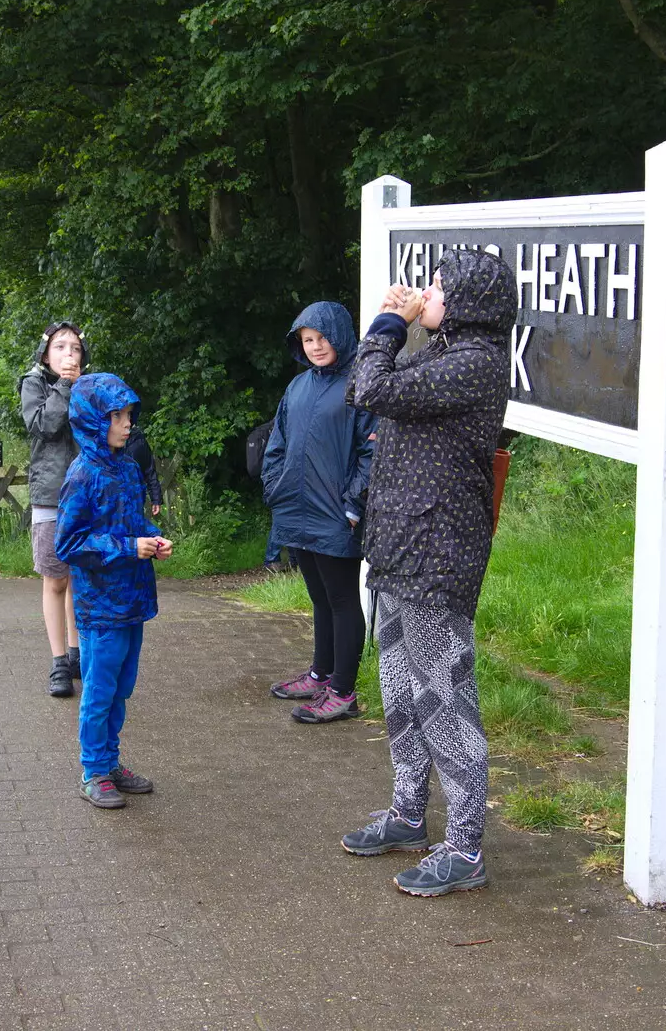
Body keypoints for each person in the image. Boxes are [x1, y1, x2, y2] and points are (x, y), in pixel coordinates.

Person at [340, 248, 516, 897]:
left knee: (444, 700)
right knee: (400, 693)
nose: (425, 291)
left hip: (438, 561)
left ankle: (465, 850)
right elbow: (381, 390)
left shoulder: (475, 364)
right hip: (397, 553)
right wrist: (407, 328)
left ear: (468, 300)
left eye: (438, 286)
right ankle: (409, 814)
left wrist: (388, 323)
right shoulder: (442, 353)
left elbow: (369, 387)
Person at [54, 372, 172, 809]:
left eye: (127, 414)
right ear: (92, 421)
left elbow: (133, 524)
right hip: (100, 606)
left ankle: (111, 760)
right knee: (99, 691)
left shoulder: (128, 467)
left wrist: (153, 539)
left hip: (133, 599)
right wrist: (128, 547)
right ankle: (94, 770)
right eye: (116, 416)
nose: (127, 424)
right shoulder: (82, 474)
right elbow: (67, 543)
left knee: (122, 686)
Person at [261, 301, 375, 723]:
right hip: (296, 510)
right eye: (307, 340)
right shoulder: (298, 388)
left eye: (322, 337)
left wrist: (353, 504)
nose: (315, 346)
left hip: (336, 515)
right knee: (319, 598)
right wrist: (276, 489)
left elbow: (372, 451)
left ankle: (343, 691)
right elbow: (278, 443)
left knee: (343, 599)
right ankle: (320, 674)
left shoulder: (362, 384)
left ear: (340, 335)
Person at [19, 321, 91, 698]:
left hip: (86, 494)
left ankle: (79, 654)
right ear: (46, 354)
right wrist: (63, 385)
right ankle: (58, 661)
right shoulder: (33, 384)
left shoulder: (90, 387)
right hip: (50, 494)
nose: (69, 354)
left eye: (75, 348)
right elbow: (44, 425)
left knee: (80, 577)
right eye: (61, 347)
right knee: (55, 578)